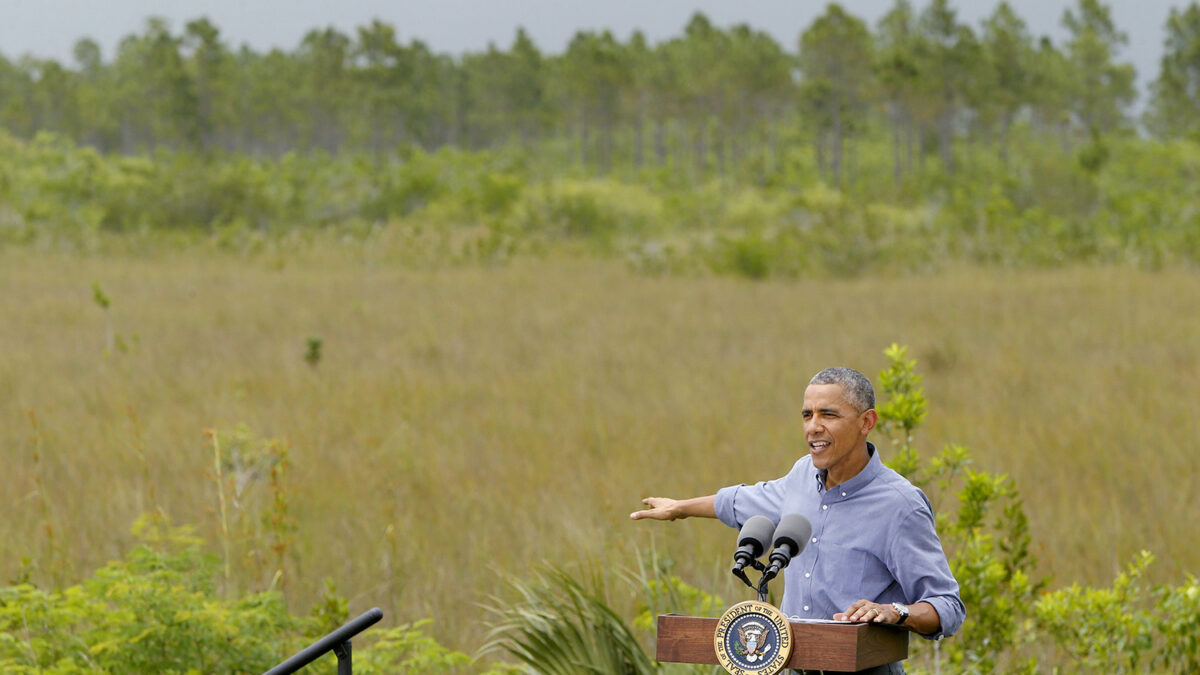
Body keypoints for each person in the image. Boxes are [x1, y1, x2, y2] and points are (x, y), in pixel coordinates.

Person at [630, 367, 965, 675]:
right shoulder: (802, 475)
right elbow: (742, 500)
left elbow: (947, 606)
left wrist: (896, 611)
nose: (812, 427)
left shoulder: (900, 505)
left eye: (828, 415)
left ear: (867, 422)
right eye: (807, 415)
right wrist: (680, 508)